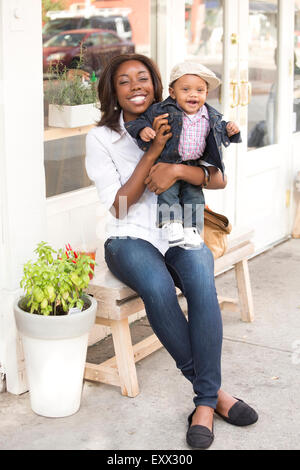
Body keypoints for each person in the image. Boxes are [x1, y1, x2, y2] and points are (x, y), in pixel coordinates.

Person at [85, 53, 258, 450]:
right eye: (124, 81)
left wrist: (178, 170)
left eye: (143, 78)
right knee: (158, 289)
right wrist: (154, 153)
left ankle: (203, 401)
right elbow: (120, 207)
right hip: (128, 236)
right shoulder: (102, 137)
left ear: (157, 83)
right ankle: (212, 397)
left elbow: (218, 179)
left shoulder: (182, 116)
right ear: (112, 90)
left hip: (180, 228)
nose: (136, 87)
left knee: (201, 281)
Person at [124, 62, 241, 248]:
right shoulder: (163, 110)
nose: (193, 94)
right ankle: (172, 224)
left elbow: (221, 131)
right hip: (168, 160)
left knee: (194, 195)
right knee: (168, 193)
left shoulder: (210, 115)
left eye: (200, 90)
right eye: (186, 89)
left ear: (206, 94)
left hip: (193, 164)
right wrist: (143, 130)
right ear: (172, 93)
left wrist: (231, 130)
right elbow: (139, 120)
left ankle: (192, 229)